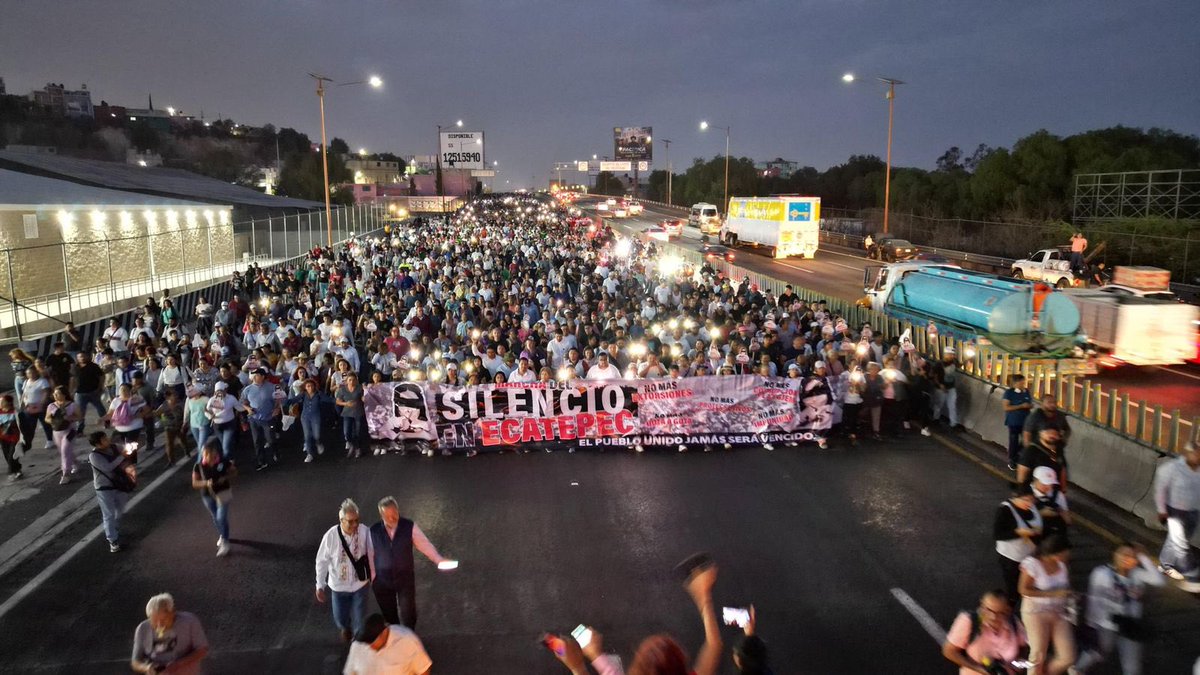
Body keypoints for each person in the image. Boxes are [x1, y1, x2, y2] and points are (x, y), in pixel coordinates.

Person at [1073, 542, 1165, 675]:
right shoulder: (1102, 573)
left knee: (1132, 667)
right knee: (1095, 654)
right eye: (1123, 554)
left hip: (1130, 626)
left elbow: (1159, 581)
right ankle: (1077, 670)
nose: (1127, 558)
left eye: (1132, 556)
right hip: (1106, 624)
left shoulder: (1137, 574)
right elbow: (1093, 599)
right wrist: (1091, 624)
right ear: (1114, 554)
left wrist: (1143, 556)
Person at [367, 496, 454, 630]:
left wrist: (438, 559)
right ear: (381, 515)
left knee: (409, 614)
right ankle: (396, 637)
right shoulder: (373, 531)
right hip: (382, 581)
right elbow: (369, 554)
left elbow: (424, 544)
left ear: (398, 510)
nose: (392, 518)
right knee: (389, 615)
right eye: (388, 515)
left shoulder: (409, 526)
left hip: (404, 578)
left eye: (394, 513)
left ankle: (409, 636)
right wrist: (373, 577)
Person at [316, 498, 374, 642]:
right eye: (350, 521)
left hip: (360, 584)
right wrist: (320, 585)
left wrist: (374, 576)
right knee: (340, 618)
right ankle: (345, 627)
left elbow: (372, 554)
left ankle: (358, 643)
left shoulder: (365, 532)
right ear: (341, 520)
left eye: (357, 520)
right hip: (338, 586)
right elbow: (321, 561)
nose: (355, 524)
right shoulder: (330, 536)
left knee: (360, 621)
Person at [1018, 536, 1076, 675]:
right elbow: (1023, 590)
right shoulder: (1033, 564)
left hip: (1058, 611)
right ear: (1054, 552)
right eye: (1065, 553)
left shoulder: (1062, 565)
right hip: (1035, 612)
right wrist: (1054, 594)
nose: (1067, 556)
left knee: (1068, 657)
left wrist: (1069, 594)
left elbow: (1064, 587)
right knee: (1038, 653)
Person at [942, 590, 1027, 675]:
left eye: (1000, 613)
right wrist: (980, 669)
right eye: (989, 610)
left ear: (1007, 610)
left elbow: (1023, 651)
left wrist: (1018, 665)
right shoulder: (969, 622)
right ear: (982, 605)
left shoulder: (1014, 623)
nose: (993, 617)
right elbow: (949, 651)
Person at [1153, 441, 1200, 582]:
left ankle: (1170, 561)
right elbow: (1160, 490)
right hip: (1175, 510)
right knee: (1175, 540)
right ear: (1187, 453)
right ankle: (1167, 566)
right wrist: (1162, 510)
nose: (1198, 457)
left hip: (1194, 510)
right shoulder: (1172, 468)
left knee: (1184, 538)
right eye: (1196, 454)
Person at [130, 593, 209, 675]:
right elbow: (135, 662)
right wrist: (147, 667)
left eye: (164, 620)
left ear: (173, 612)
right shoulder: (142, 628)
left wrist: (178, 664)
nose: (159, 625)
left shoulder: (190, 622)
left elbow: (202, 650)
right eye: (154, 621)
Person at [995, 483, 1043, 603]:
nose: (1029, 503)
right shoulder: (1005, 510)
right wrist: (1018, 532)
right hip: (1011, 558)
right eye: (1025, 500)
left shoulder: (1032, 507)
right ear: (1015, 497)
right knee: (1014, 589)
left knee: (1030, 585)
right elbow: (997, 534)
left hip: (1030, 556)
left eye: (1032, 500)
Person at [89, 431, 135, 553]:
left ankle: (115, 529)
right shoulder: (94, 456)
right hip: (104, 488)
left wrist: (131, 448)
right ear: (97, 444)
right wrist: (123, 456)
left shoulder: (114, 447)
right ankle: (112, 540)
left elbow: (127, 452)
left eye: (106, 437)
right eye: (103, 439)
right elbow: (107, 468)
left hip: (119, 484)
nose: (107, 440)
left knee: (120, 510)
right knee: (108, 514)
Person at [342, 613, 432, 675]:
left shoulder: (407, 641)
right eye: (366, 642)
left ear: (384, 632)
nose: (368, 646)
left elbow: (423, 670)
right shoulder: (358, 645)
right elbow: (350, 671)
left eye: (372, 641)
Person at [191, 439, 235, 557]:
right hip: (207, 495)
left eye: (207, 453)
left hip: (223, 492)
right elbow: (195, 483)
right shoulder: (198, 466)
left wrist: (224, 477)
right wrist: (206, 483)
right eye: (203, 453)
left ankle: (225, 542)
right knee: (215, 517)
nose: (205, 456)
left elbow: (234, 472)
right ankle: (223, 534)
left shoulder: (223, 461)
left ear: (215, 452)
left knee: (221, 517)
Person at [240, 368, 280, 471]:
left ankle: (274, 452)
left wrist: (276, 408)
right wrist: (248, 408)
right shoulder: (247, 389)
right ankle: (261, 461)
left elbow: (279, 400)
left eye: (256, 375)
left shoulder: (272, 387)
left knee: (270, 439)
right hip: (254, 419)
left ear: (262, 377)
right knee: (257, 441)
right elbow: (243, 402)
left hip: (268, 418)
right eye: (253, 375)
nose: (254, 377)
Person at [44, 385, 80, 484]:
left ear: (64, 395)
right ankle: (75, 462)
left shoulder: (72, 405)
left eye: (57, 393)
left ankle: (66, 473)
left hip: (69, 430)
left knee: (65, 451)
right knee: (64, 451)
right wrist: (52, 420)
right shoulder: (51, 406)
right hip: (57, 431)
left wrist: (69, 418)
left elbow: (79, 417)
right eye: (54, 394)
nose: (55, 395)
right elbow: (46, 418)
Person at [71, 351, 107, 433]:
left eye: (83, 356)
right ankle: (80, 429)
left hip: (93, 391)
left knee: (100, 408)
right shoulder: (75, 367)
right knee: (80, 412)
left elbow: (102, 376)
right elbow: (72, 379)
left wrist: (100, 387)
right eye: (80, 357)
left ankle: (106, 421)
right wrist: (71, 390)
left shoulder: (93, 366)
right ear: (77, 358)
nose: (82, 358)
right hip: (80, 393)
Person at [1002, 375, 1033, 471]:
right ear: (1015, 383)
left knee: (1026, 440)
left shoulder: (1026, 391)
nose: (1023, 384)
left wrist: (1029, 406)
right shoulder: (1009, 393)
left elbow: (1029, 403)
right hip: (1014, 421)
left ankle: (1016, 456)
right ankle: (1012, 460)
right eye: (1021, 383)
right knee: (1014, 440)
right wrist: (1021, 406)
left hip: (1026, 421)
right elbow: (1006, 407)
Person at [335, 373, 366, 458]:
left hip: (358, 412)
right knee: (347, 433)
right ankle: (352, 444)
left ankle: (358, 448)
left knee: (358, 432)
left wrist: (364, 398)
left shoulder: (360, 388)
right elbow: (337, 401)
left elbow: (363, 398)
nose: (352, 382)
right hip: (347, 413)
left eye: (353, 380)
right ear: (346, 381)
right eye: (350, 380)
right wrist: (345, 403)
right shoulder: (342, 389)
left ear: (356, 380)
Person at [929, 348, 960, 430]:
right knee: (939, 404)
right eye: (950, 354)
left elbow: (959, 365)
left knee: (952, 405)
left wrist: (969, 360)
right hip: (940, 389)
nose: (952, 356)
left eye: (953, 354)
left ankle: (953, 423)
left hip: (951, 387)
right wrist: (940, 385)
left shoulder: (954, 362)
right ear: (945, 354)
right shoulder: (939, 364)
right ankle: (936, 419)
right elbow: (932, 375)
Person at [0, 394, 22, 480]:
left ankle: (11, 472)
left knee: (12, 456)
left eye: (1, 401)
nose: (0, 403)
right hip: (3, 437)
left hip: (14, 437)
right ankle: (18, 469)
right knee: (6, 455)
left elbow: (22, 424)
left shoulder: (15, 412)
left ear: (8, 402)